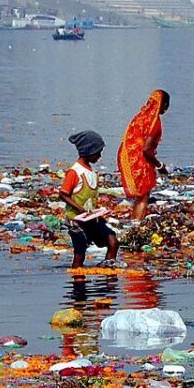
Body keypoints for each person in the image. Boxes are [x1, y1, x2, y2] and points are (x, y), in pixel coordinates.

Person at [58, 130, 120, 268]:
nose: (99, 156)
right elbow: (63, 194)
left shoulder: (91, 172)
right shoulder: (75, 171)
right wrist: (80, 209)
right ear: (88, 151)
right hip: (77, 221)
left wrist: (97, 212)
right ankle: (78, 283)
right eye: (97, 152)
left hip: (90, 218)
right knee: (80, 254)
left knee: (113, 241)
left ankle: (108, 275)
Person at [118, 89, 170, 221]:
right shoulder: (155, 122)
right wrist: (159, 165)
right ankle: (136, 222)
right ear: (163, 105)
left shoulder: (140, 117)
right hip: (140, 159)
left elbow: (135, 139)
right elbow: (146, 150)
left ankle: (133, 221)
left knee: (140, 194)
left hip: (127, 156)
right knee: (144, 194)